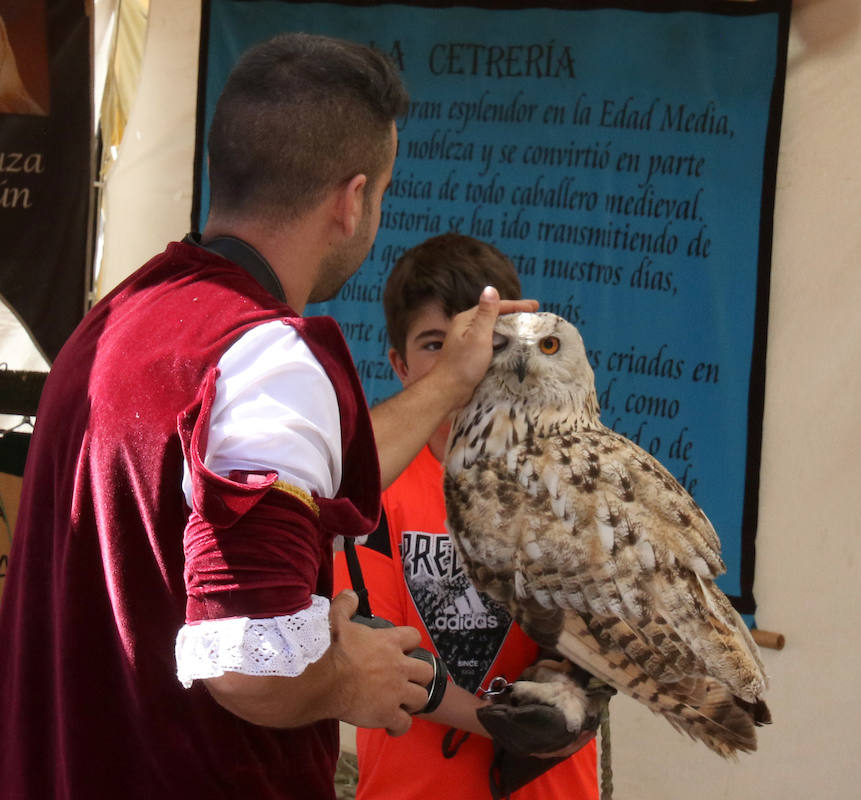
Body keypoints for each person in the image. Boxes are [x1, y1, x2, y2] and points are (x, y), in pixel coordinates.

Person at [0, 34, 535, 799]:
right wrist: (349, 675)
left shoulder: (121, 318)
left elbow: (308, 469)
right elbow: (245, 663)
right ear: (352, 200)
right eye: (379, 195)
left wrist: (448, 381)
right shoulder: (267, 360)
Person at [334, 233, 599, 800]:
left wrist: (582, 684)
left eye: (484, 338)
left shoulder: (566, 478)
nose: (466, 357)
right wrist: (501, 724)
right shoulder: (373, 488)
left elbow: (599, 637)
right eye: (436, 343)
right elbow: (376, 661)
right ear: (399, 365)